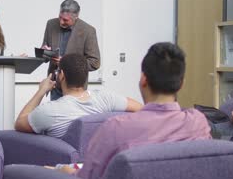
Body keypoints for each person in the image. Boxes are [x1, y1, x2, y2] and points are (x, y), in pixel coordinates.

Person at [64, 42, 212, 179]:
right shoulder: (198, 123)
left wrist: (65, 172)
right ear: (181, 84)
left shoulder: (115, 128)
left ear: (143, 80)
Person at [14, 53, 143, 139]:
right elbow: (142, 109)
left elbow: (19, 124)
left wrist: (41, 91)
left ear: (62, 75)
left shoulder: (50, 111)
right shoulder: (106, 98)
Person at [41, 0, 100, 100]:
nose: (60, 22)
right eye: (60, 17)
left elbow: (95, 62)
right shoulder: (50, 24)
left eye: (65, 20)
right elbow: (45, 52)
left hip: (75, 88)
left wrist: (67, 63)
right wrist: (44, 51)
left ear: (76, 17)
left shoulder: (88, 31)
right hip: (54, 85)